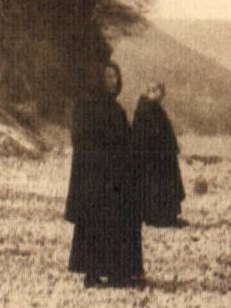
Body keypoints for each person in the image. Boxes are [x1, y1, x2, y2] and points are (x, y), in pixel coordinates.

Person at [65, 61, 144, 288]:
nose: (113, 81)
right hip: (95, 177)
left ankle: (115, 272)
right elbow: (82, 140)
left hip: (113, 176)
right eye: (108, 76)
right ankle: (95, 273)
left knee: (115, 221)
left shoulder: (115, 108)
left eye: (115, 76)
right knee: (97, 223)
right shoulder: (86, 106)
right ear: (98, 79)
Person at [132, 81, 185, 227]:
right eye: (159, 92)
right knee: (157, 187)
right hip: (154, 158)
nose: (161, 96)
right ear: (151, 91)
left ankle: (167, 217)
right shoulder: (145, 109)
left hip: (161, 156)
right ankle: (159, 219)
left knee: (164, 186)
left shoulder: (152, 108)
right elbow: (147, 135)